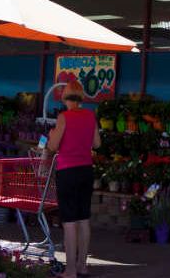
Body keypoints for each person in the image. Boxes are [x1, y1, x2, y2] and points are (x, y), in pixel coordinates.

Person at [47, 81, 101, 278]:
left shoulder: (63, 117)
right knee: (83, 219)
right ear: (82, 97)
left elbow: (52, 146)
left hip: (67, 172)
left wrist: (52, 134)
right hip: (86, 170)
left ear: (64, 97)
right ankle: (82, 266)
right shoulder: (90, 116)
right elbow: (97, 143)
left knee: (69, 222)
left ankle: (70, 271)